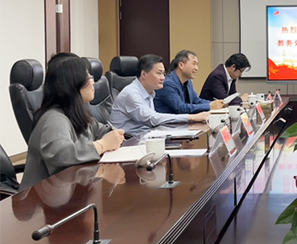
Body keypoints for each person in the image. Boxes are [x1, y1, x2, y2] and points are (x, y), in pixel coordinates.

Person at [21, 56, 125, 189]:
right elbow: (62, 155)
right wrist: (102, 145)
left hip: (69, 189)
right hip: (41, 196)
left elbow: (102, 131)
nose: (93, 82)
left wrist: (114, 136)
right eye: (89, 78)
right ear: (73, 85)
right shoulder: (54, 119)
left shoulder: (75, 114)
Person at [110, 54, 210, 134]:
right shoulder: (131, 93)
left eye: (164, 74)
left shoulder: (150, 92)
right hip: (127, 141)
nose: (163, 78)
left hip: (144, 136)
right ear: (144, 74)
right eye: (159, 73)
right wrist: (192, 117)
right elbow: (153, 119)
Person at [154, 50, 225, 114]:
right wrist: (209, 106)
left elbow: (196, 101)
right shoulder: (167, 83)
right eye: (194, 64)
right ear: (181, 65)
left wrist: (216, 104)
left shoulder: (188, 81)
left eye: (197, 64)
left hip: (183, 121)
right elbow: (180, 108)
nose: (197, 68)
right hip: (168, 123)